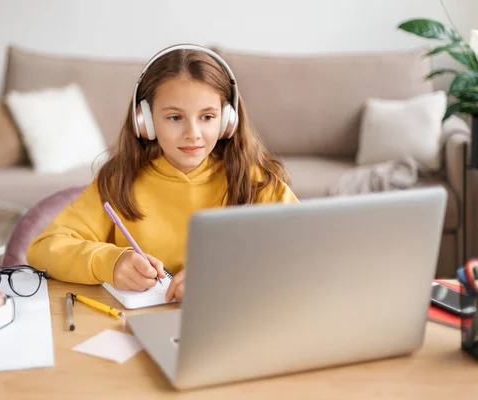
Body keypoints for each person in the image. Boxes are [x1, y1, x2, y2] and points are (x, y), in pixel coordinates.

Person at [26, 44, 299, 303]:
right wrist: (109, 262)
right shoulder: (119, 182)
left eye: (207, 117)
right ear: (145, 121)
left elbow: (307, 250)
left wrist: (222, 276)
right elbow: (44, 248)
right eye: (175, 117)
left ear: (228, 121)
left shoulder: (257, 182)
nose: (193, 133)